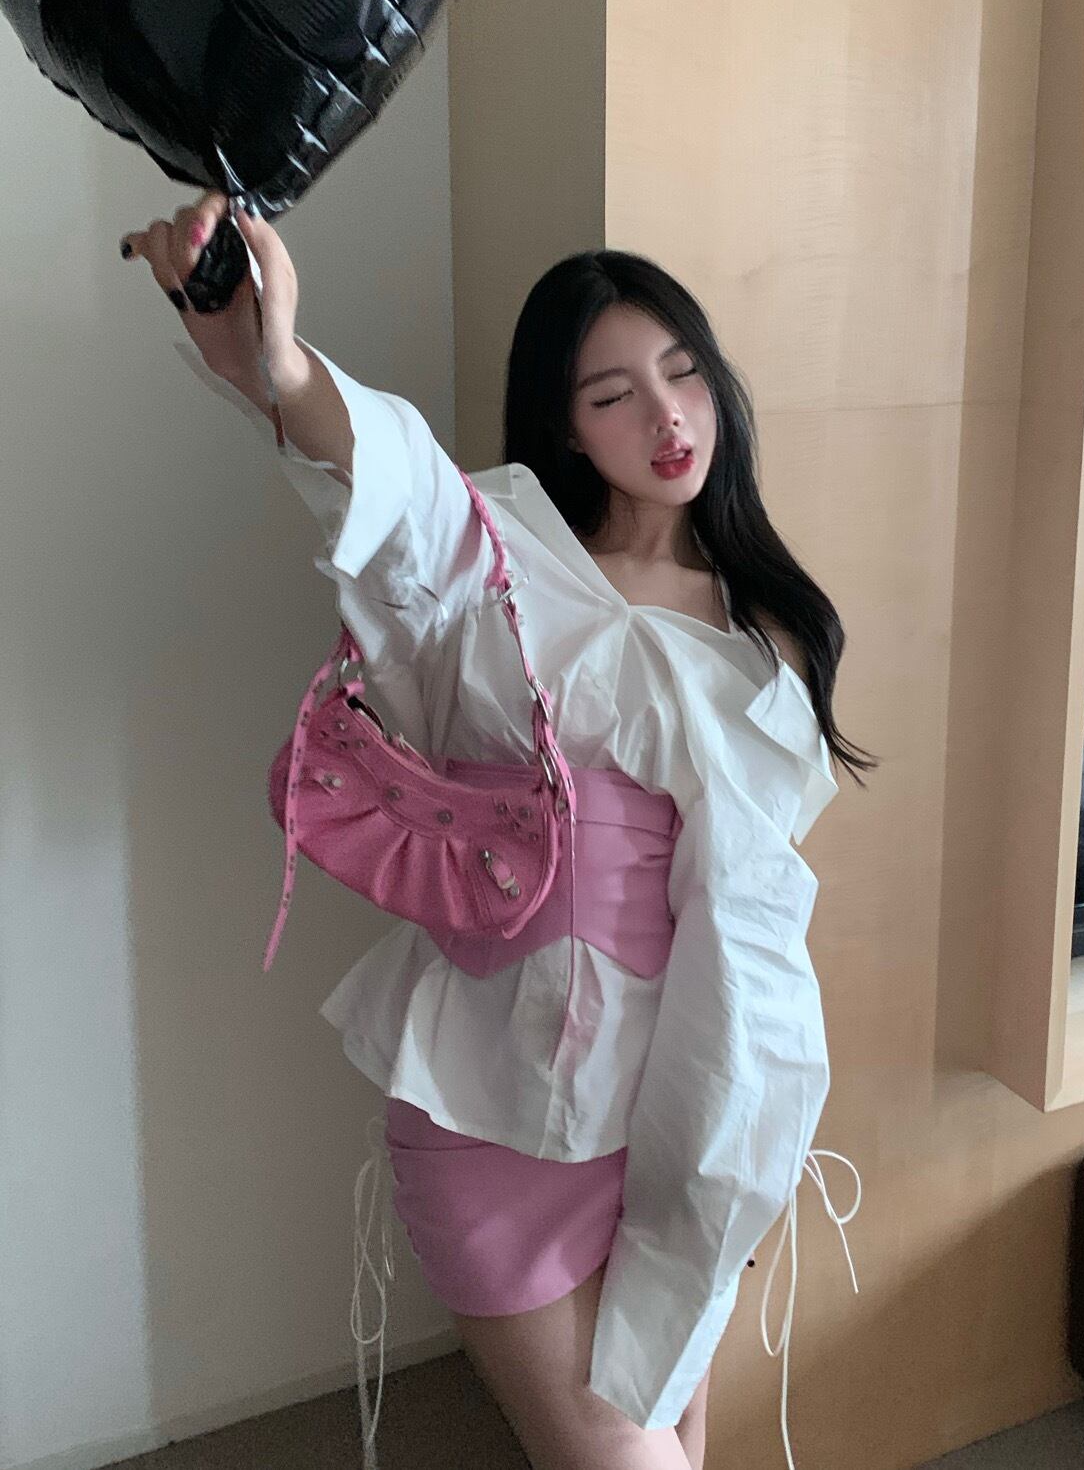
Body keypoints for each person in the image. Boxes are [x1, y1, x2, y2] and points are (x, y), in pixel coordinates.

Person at [122, 191, 874, 1470]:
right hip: (497, 1114)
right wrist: (279, 366)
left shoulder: (771, 629)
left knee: (686, 1453)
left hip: (686, 1123)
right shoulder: (501, 561)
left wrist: (743, 1149)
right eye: (613, 393)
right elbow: (395, 490)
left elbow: (751, 916)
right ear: (565, 424)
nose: (666, 416)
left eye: (683, 372)